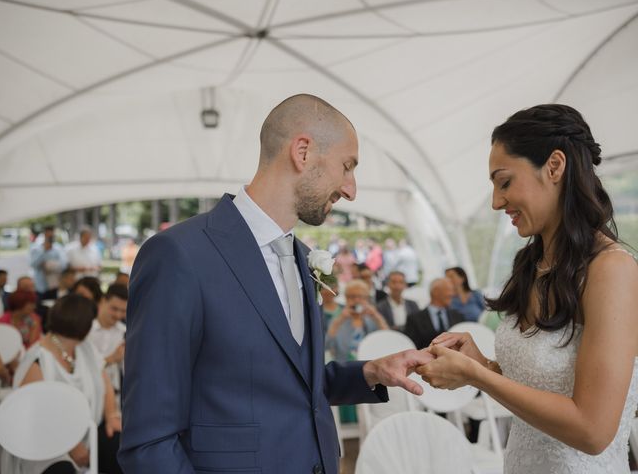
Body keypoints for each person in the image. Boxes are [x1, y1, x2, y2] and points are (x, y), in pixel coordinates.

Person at [119, 94, 433, 474]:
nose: (351, 189)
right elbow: (149, 441)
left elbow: (286, 382)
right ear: (302, 152)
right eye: (347, 166)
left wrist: (370, 372)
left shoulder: (301, 257)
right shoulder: (178, 255)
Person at [418, 104, 638, 474]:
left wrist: (478, 377)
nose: (496, 201)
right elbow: (542, 392)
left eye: (504, 182)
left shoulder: (611, 270)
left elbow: (593, 431)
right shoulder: (531, 265)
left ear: (554, 166)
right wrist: (484, 365)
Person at [2, 294, 122, 474]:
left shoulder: (85, 349)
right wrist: (72, 445)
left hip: (87, 430)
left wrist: (112, 415)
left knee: (120, 447)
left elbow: (105, 384)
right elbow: (36, 417)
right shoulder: (38, 360)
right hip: (45, 441)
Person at [326, 280, 389, 363]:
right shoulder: (338, 319)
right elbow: (326, 345)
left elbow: (387, 338)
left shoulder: (371, 320)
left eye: (361, 297)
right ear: (346, 298)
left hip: (369, 364)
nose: (357, 300)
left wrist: (376, 316)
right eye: (352, 296)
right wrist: (339, 320)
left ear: (367, 299)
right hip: (345, 366)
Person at [87, 284, 127, 396]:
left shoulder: (126, 333)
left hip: (115, 396)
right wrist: (111, 359)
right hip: (87, 392)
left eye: (123, 311)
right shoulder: (85, 330)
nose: (118, 315)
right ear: (103, 301)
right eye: (114, 309)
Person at [404, 278, 464, 349]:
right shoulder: (414, 319)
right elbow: (412, 348)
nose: (452, 294)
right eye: (448, 290)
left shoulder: (458, 316)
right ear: (436, 291)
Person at [30, 225, 67, 294]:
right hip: (40, 285)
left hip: (55, 283)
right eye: (48, 236)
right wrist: (44, 251)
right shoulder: (36, 248)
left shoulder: (58, 248)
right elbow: (33, 264)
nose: (50, 238)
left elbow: (63, 265)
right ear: (44, 234)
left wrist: (49, 265)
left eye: (52, 236)